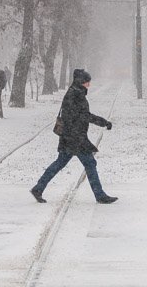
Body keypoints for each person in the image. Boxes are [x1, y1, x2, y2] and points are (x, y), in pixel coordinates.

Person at [30, 68, 116, 204]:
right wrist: (103, 122)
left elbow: (78, 115)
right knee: (90, 163)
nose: (89, 84)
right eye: (87, 82)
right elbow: (84, 116)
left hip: (70, 136)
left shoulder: (75, 93)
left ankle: (38, 188)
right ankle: (100, 195)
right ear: (81, 82)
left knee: (60, 163)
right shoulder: (76, 95)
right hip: (75, 138)